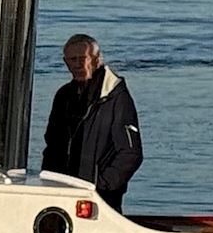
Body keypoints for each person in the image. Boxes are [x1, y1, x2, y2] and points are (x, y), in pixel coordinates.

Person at [40, 34, 143, 212]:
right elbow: (52, 146)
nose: (78, 65)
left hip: (102, 199)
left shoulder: (115, 97)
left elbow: (131, 153)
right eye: (73, 60)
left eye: (83, 58)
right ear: (65, 63)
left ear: (97, 59)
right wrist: (48, 183)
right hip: (62, 194)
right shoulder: (63, 96)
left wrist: (102, 184)